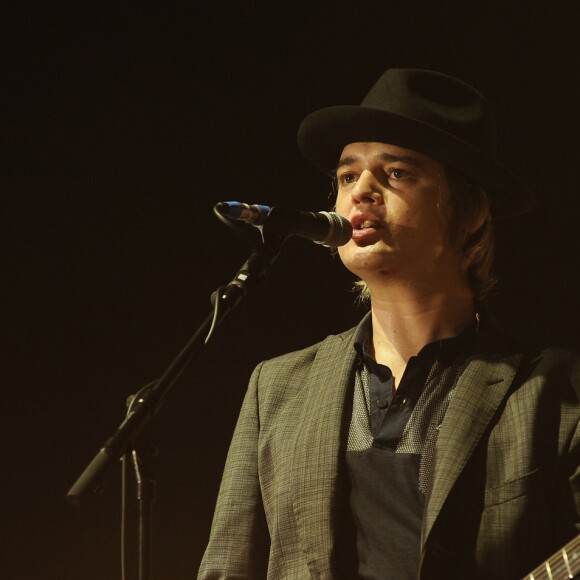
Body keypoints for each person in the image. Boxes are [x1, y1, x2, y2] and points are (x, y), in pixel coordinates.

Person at [197, 68, 580, 579]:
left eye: (397, 173)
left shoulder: (554, 391)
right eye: (347, 175)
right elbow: (227, 568)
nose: (362, 191)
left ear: (469, 212)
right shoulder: (278, 387)